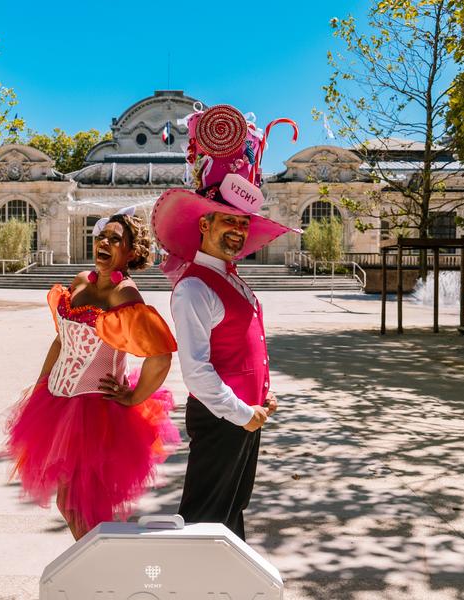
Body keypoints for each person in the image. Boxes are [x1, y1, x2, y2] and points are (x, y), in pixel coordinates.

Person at [151, 103, 299, 540]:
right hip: (223, 419)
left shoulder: (230, 278)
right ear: (203, 224)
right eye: (227, 221)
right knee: (205, 521)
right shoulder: (196, 287)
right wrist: (241, 413)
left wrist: (261, 402)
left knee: (231, 516)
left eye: (241, 222)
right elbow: (197, 372)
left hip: (244, 416)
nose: (237, 230)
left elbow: (246, 351)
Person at [2, 210, 178, 541]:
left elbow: (160, 355)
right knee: (70, 504)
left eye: (115, 239)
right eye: (101, 237)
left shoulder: (124, 296)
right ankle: (97, 569)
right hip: (57, 404)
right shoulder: (81, 280)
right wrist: (41, 387)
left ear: (132, 252)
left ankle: (103, 573)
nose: (104, 243)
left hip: (96, 414)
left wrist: (134, 396)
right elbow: (60, 341)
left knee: (82, 505)